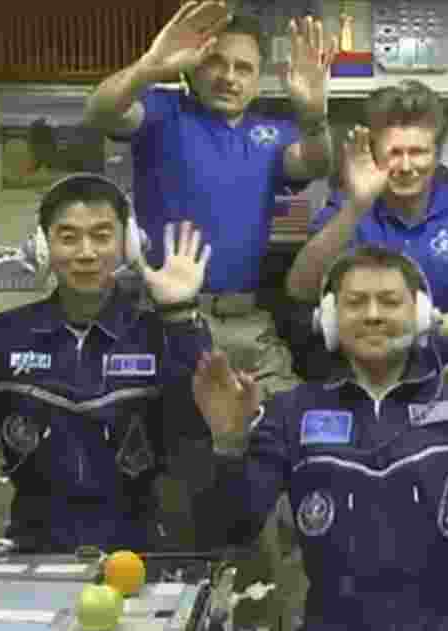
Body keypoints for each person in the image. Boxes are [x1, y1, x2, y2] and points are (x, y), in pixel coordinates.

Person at [190, 244, 448, 631]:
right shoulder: (292, 412)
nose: (372, 314)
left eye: (389, 301)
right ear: (329, 318)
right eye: (355, 303)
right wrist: (229, 445)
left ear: (419, 315)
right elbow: (229, 531)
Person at [0, 173, 212, 553]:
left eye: (101, 235)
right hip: (35, 540)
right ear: (42, 247)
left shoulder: (161, 334)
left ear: (127, 246)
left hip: (142, 543)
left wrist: (179, 314)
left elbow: (196, 426)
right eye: (68, 237)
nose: (85, 253)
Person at [83, 1, 337, 397]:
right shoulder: (162, 112)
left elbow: (316, 163)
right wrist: (150, 65)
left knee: (281, 426)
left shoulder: (272, 135)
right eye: (217, 62)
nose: (229, 77)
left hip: (245, 324)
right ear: (192, 65)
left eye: (244, 68)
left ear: (257, 80)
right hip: (162, 318)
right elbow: (100, 112)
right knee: (170, 435)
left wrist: (313, 116)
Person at [286, 80, 448, 365]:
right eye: (394, 153)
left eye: (418, 152)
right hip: (358, 384)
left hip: (444, 385)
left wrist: (420, 324)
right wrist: (356, 206)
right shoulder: (347, 209)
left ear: (436, 155)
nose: (407, 167)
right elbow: (301, 288)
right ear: (373, 154)